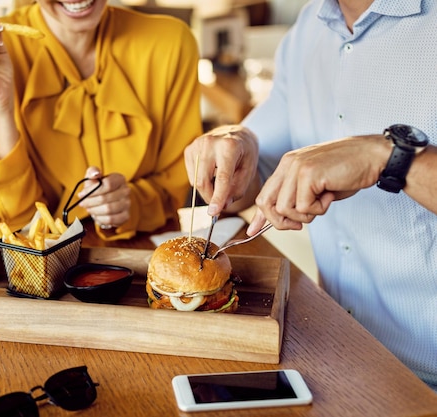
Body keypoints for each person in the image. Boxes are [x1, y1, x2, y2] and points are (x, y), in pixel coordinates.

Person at [184, 0, 437, 391]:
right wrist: (232, 146)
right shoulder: (309, 27)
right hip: (337, 349)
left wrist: (387, 156)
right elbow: (254, 175)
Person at [0, 0, 201, 241]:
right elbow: (12, 225)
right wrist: (0, 104)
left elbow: (173, 191)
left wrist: (131, 205)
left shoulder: (170, 43)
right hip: (27, 266)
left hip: (143, 253)